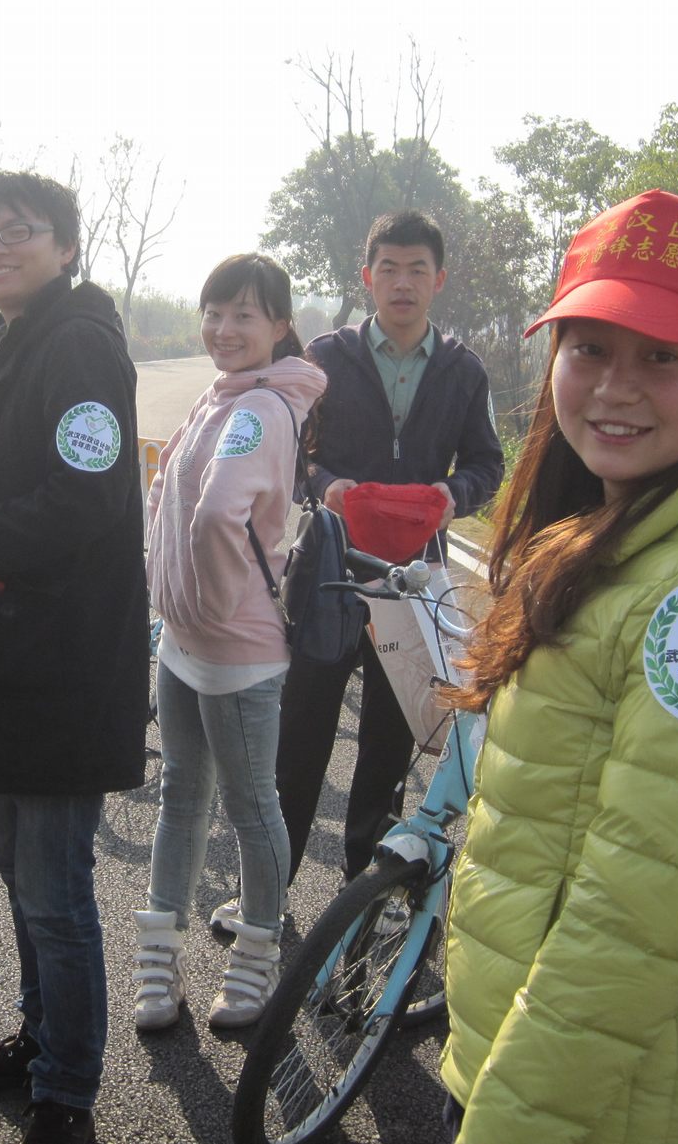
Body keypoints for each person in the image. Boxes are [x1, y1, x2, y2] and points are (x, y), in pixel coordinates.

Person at [437, 190, 678, 1144]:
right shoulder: (616, 526)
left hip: (596, 1107)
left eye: (662, 355)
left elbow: (638, 926)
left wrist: (508, 1126)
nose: (614, 387)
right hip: (535, 1072)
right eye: (589, 347)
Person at [0, 171, 145, 1144]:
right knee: (19, 870)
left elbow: (85, 495)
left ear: (66, 246)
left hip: (63, 661)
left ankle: (67, 1087)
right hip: (11, 655)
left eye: (19, 231)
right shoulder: (7, 339)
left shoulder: (80, 343)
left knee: (55, 889)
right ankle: (39, 1037)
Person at [249, 209, 503, 916]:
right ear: (367, 277)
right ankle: (267, 892)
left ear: (439, 279)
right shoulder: (327, 358)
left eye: (417, 269)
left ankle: (364, 892)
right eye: (388, 268)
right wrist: (327, 485)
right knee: (301, 733)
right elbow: (293, 451)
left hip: (413, 583)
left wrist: (452, 496)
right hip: (331, 570)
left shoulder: (462, 370)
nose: (402, 282)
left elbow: (487, 463)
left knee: (390, 741)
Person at [135, 255, 326, 1032]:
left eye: (245, 314)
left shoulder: (260, 408)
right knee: (187, 795)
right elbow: (165, 492)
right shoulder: (221, 395)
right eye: (214, 312)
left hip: (232, 646)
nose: (224, 328)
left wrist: (203, 604)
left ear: (280, 325)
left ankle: (255, 956)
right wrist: (171, 598)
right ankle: (161, 956)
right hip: (186, 638)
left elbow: (217, 512)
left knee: (246, 806)